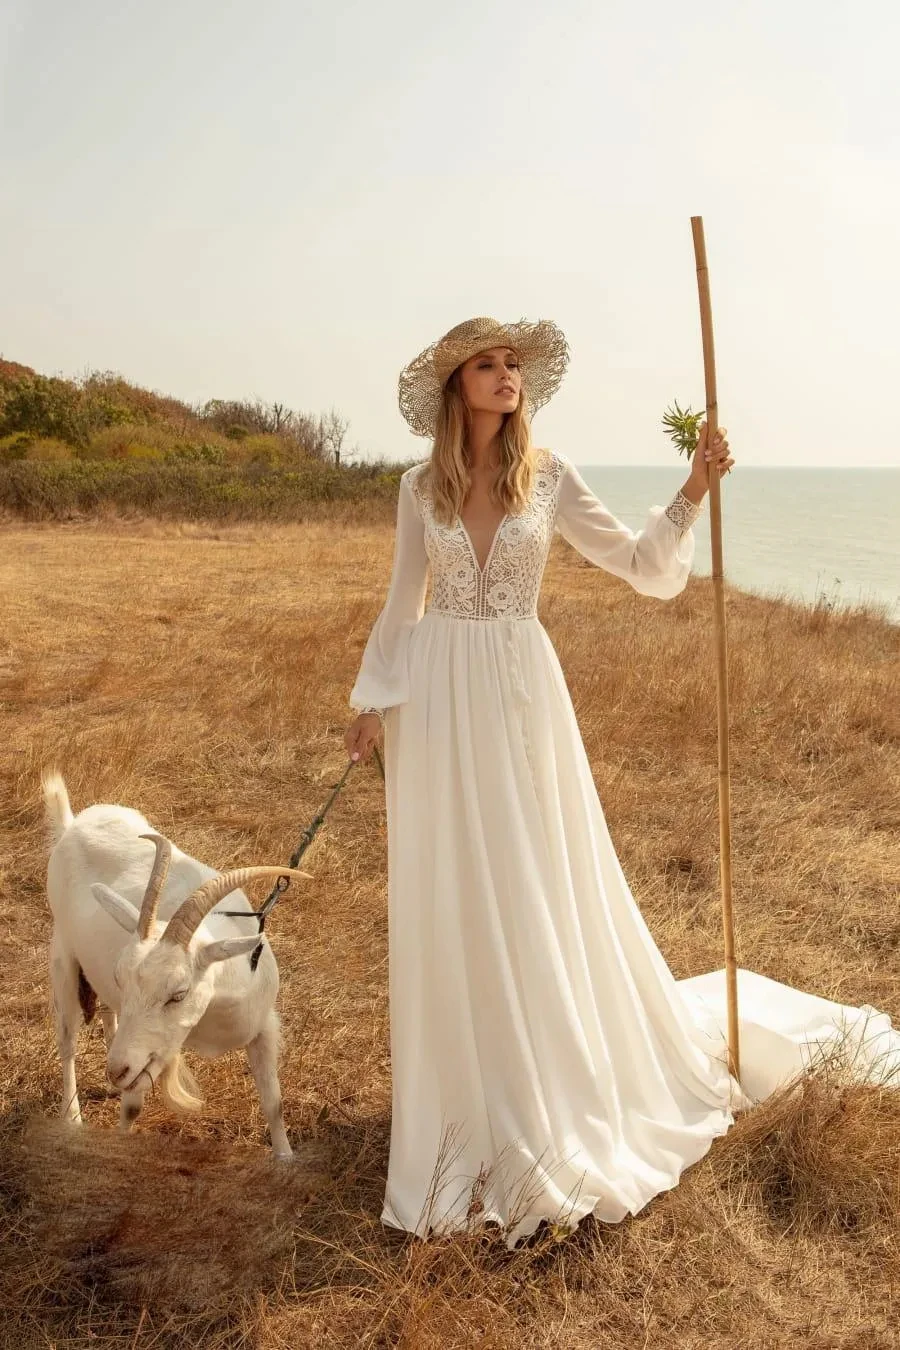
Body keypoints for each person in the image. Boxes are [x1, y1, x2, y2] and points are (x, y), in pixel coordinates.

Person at [343, 316, 900, 1250]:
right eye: (488, 364)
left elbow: (645, 571)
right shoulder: (417, 489)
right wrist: (371, 699)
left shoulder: (547, 477)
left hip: (520, 693)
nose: (507, 376)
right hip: (434, 703)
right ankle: (467, 1089)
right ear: (455, 387)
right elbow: (406, 602)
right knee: (455, 885)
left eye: (514, 364)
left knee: (531, 874)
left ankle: (548, 1079)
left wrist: (692, 489)